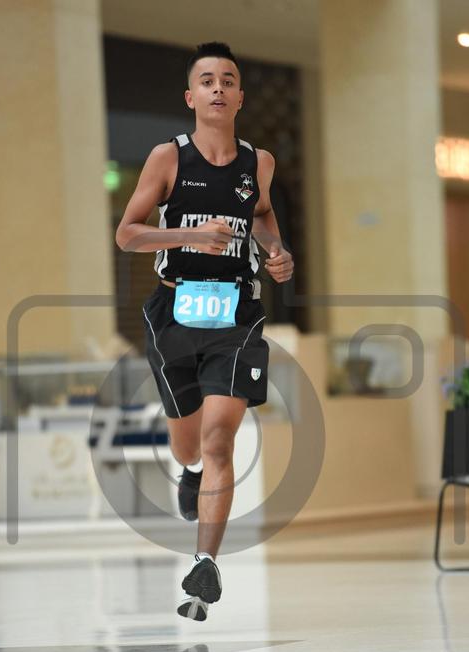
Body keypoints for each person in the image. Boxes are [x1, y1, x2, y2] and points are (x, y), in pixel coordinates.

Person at [115, 41, 294, 621]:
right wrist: (189, 237)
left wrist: (275, 250)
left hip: (236, 315)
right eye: (207, 80)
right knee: (189, 442)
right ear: (191, 97)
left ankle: (205, 566)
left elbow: (261, 213)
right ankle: (189, 473)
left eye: (229, 80)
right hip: (174, 311)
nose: (218, 87)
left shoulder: (258, 163)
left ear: (240, 97)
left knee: (220, 439)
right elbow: (127, 233)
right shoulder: (168, 158)